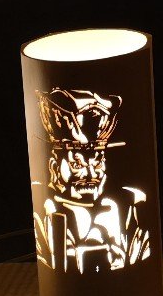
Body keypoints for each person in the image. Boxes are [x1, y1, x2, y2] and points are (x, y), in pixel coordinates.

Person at [34, 88, 150, 273]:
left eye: (97, 164)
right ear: (54, 167)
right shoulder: (45, 212)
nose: (89, 174)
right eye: (77, 165)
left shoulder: (127, 208)